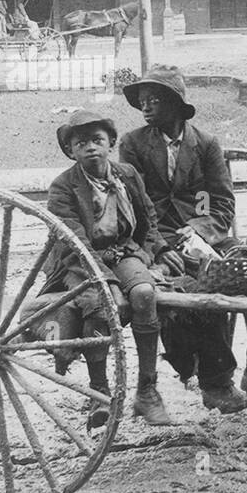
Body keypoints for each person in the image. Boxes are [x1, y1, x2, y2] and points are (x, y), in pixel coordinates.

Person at [119, 66, 247, 413]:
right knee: (203, 284)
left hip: (207, 236)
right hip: (157, 242)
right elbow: (133, 206)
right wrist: (161, 244)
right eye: (142, 101)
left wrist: (200, 228)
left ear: (175, 104)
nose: (145, 107)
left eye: (154, 99)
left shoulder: (205, 145)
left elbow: (221, 203)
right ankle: (217, 383)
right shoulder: (132, 145)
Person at [41, 109, 174, 427]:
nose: (90, 147)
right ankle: (99, 392)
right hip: (81, 262)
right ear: (70, 150)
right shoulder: (63, 187)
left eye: (97, 140)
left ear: (110, 143)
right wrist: (108, 282)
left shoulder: (127, 175)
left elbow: (149, 218)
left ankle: (147, 391)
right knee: (104, 306)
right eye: (81, 142)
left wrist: (146, 253)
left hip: (124, 252)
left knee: (143, 294)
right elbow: (75, 243)